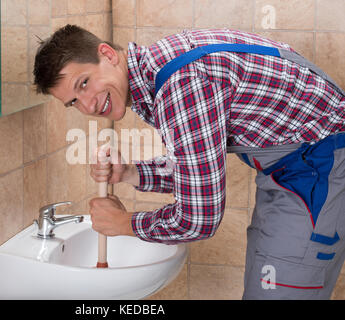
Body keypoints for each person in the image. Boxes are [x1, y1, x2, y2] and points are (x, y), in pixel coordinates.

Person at [33, 24, 345, 299]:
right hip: (296, 166)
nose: (88, 105)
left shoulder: (181, 83)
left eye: (84, 83)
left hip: (319, 169)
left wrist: (125, 224)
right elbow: (197, 166)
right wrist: (131, 173)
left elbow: (200, 218)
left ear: (107, 54)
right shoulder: (160, 69)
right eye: (74, 102)